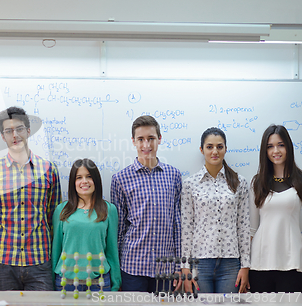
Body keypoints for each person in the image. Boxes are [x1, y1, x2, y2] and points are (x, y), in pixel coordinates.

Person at [0, 106, 61, 291]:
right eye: (8, 131)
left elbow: (54, 217)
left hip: (40, 260)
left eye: (19, 129)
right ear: (3, 136)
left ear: (28, 131)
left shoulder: (49, 170)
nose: (15, 135)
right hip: (4, 262)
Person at [111, 115, 182, 292]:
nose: (146, 145)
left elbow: (178, 224)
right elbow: (119, 229)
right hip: (132, 266)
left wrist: (180, 265)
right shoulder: (120, 179)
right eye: (141, 139)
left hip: (165, 268)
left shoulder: (174, 176)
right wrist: (116, 271)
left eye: (151, 138)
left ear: (159, 139)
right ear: (133, 141)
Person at [181, 127, 250, 293]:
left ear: (226, 149)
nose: (215, 151)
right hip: (199, 264)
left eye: (219, 147)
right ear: (201, 149)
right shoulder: (190, 184)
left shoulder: (239, 183)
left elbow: (244, 226)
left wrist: (246, 265)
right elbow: (186, 227)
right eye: (209, 146)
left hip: (231, 263)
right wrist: (185, 267)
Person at [52, 159, 121, 292]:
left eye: (89, 176)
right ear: (73, 182)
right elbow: (56, 250)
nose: (84, 181)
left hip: (100, 282)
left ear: (96, 180)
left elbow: (112, 251)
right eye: (79, 177)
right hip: (66, 283)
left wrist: (116, 283)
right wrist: (50, 281)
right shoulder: (61, 210)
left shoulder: (109, 210)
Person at [249, 124, 302, 293]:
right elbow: (252, 229)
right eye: (270, 146)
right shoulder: (257, 182)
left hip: (292, 262)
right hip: (260, 262)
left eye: (280, 145)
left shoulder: (300, 181)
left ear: (288, 147)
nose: (275, 151)